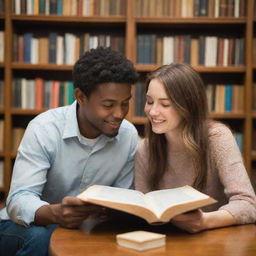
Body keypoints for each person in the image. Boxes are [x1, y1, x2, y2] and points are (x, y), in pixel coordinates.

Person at [0, 47, 139, 256]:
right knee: (41, 237)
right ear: (81, 97)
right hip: (23, 228)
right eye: (108, 105)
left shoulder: (128, 136)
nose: (119, 114)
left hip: (87, 230)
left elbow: (122, 199)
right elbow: (19, 200)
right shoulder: (44, 129)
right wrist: (55, 214)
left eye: (125, 103)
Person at [135, 63, 256, 233]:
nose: (152, 111)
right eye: (149, 101)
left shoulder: (217, 138)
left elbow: (248, 204)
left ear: (188, 107)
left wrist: (204, 221)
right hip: (166, 241)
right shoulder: (145, 149)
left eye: (165, 104)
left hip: (214, 240)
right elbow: (145, 211)